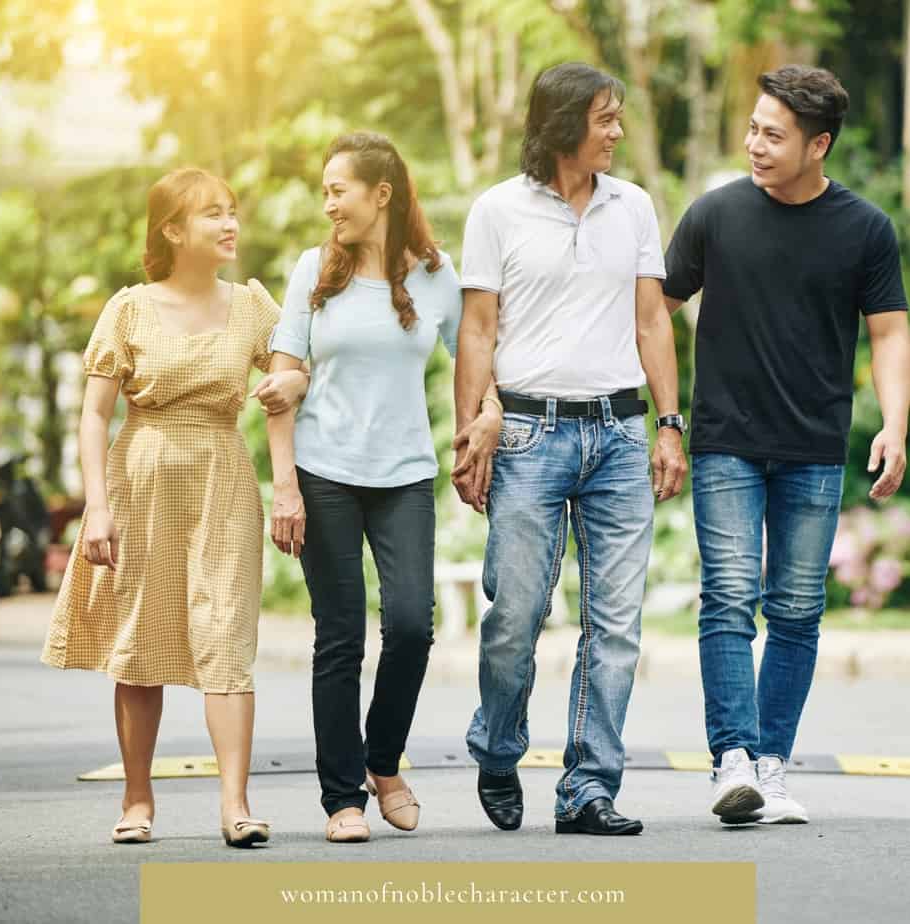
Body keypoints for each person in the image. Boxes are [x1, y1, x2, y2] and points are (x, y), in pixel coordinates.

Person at [664, 65, 910, 825]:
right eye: (753, 128)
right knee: (730, 598)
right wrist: (663, 418)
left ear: (818, 144)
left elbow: (890, 331)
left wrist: (896, 425)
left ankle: (769, 767)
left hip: (812, 444)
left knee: (798, 610)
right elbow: (652, 309)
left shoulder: (864, 228)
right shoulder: (714, 215)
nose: (755, 144)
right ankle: (732, 760)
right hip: (726, 440)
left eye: (774, 135)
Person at [41, 167, 309, 847]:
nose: (230, 225)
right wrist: (96, 509)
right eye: (212, 213)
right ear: (171, 229)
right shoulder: (129, 308)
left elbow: (295, 364)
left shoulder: (252, 305)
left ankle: (235, 806)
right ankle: (136, 802)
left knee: (226, 635)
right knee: (143, 637)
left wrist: (292, 383)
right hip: (144, 476)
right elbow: (94, 416)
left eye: (232, 211)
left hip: (222, 475)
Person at [453, 62, 687, 836]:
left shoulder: (634, 207)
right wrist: (469, 430)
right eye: (606, 120)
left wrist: (668, 423)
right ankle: (498, 746)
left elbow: (653, 322)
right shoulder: (498, 211)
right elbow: (478, 330)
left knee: (616, 624)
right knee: (516, 614)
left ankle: (589, 789)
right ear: (563, 127)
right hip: (528, 433)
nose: (617, 132)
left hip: (620, 435)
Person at [266, 132, 491, 843]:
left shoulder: (435, 273)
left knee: (410, 627)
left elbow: (476, 353)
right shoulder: (312, 269)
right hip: (324, 471)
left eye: (339, 189)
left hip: (402, 475)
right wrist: (285, 488)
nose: (327, 203)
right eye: (325, 191)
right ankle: (344, 798)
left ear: (381, 193)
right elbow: (281, 383)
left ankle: (382, 759)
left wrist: (484, 414)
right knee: (340, 637)